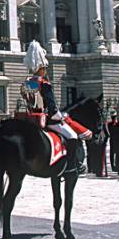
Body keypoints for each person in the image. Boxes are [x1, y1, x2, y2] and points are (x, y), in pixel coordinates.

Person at [24, 40, 91, 174]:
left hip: (31, 118)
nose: (45, 70)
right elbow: (52, 107)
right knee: (72, 136)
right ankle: (73, 165)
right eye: (44, 68)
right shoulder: (44, 84)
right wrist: (62, 116)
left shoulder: (27, 83)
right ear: (41, 68)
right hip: (48, 119)